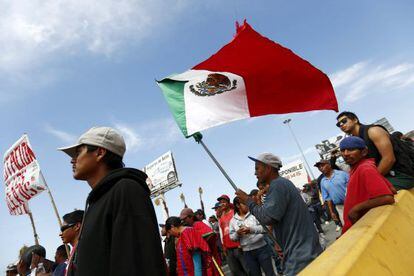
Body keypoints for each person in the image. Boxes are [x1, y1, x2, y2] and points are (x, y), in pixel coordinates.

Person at [58, 126, 165, 275]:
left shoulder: (126, 190)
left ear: (100, 152)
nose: (72, 160)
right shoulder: (97, 201)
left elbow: (137, 265)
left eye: (78, 152)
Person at [236, 153, 322, 276]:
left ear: (268, 168)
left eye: (257, 168)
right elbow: (276, 219)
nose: (255, 173)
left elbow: (267, 217)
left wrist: (248, 201)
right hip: (301, 250)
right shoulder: (282, 184)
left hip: (300, 255)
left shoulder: (277, 185)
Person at [336, 111, 414, 190]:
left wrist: (372, 181)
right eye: (338, 124)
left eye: (344, 121)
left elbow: (389, 159)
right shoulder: (355, 140)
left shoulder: (373, 131)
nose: (341, 125)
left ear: (355, 120)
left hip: (402, 173)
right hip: (384, 176)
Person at [339, 136, 395, 233]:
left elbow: (387, 197)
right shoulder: (358, 168)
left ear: (364, 152)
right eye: (343, 150)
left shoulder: (365, 168)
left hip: (361, 228)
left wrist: (356, 209)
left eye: (351, 149)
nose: (345, 154)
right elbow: (392, 189)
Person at [229, 197, 275, 276]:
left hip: (262, 249)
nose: (247, 205)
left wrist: (251, 229)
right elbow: (232, 237)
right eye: (244, 203)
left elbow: (266, 228)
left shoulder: (254, 214)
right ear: (237, 205)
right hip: (247, 253)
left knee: (270, 273)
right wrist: (238, 233)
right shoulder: (233, 221)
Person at [217, 195, 248, 276]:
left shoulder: (234, 212)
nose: (222, 204)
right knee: (235, 271)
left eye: (224, 202)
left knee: (247, 268)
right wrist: (223, 246)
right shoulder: (220, 218)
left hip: (238, 246)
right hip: (228, 249)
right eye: (220, 203)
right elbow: (222, 233)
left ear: (228, 203)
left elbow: (241, 226)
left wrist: (241, 243)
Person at [315, 159, 349, 231]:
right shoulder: (323, 182)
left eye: (323, 165)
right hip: (340, 208)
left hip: (352, 203)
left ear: (329, 165)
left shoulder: (342, 174)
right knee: (348, 228)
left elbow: (354, 186)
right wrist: (332, 212)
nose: (321, 168)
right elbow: (328, 198)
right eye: (319, 167)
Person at [59, 210, 83, 274]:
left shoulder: (83, 250)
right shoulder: (76, 251)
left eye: (63, 229)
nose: (60, 234)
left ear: (77, 226)